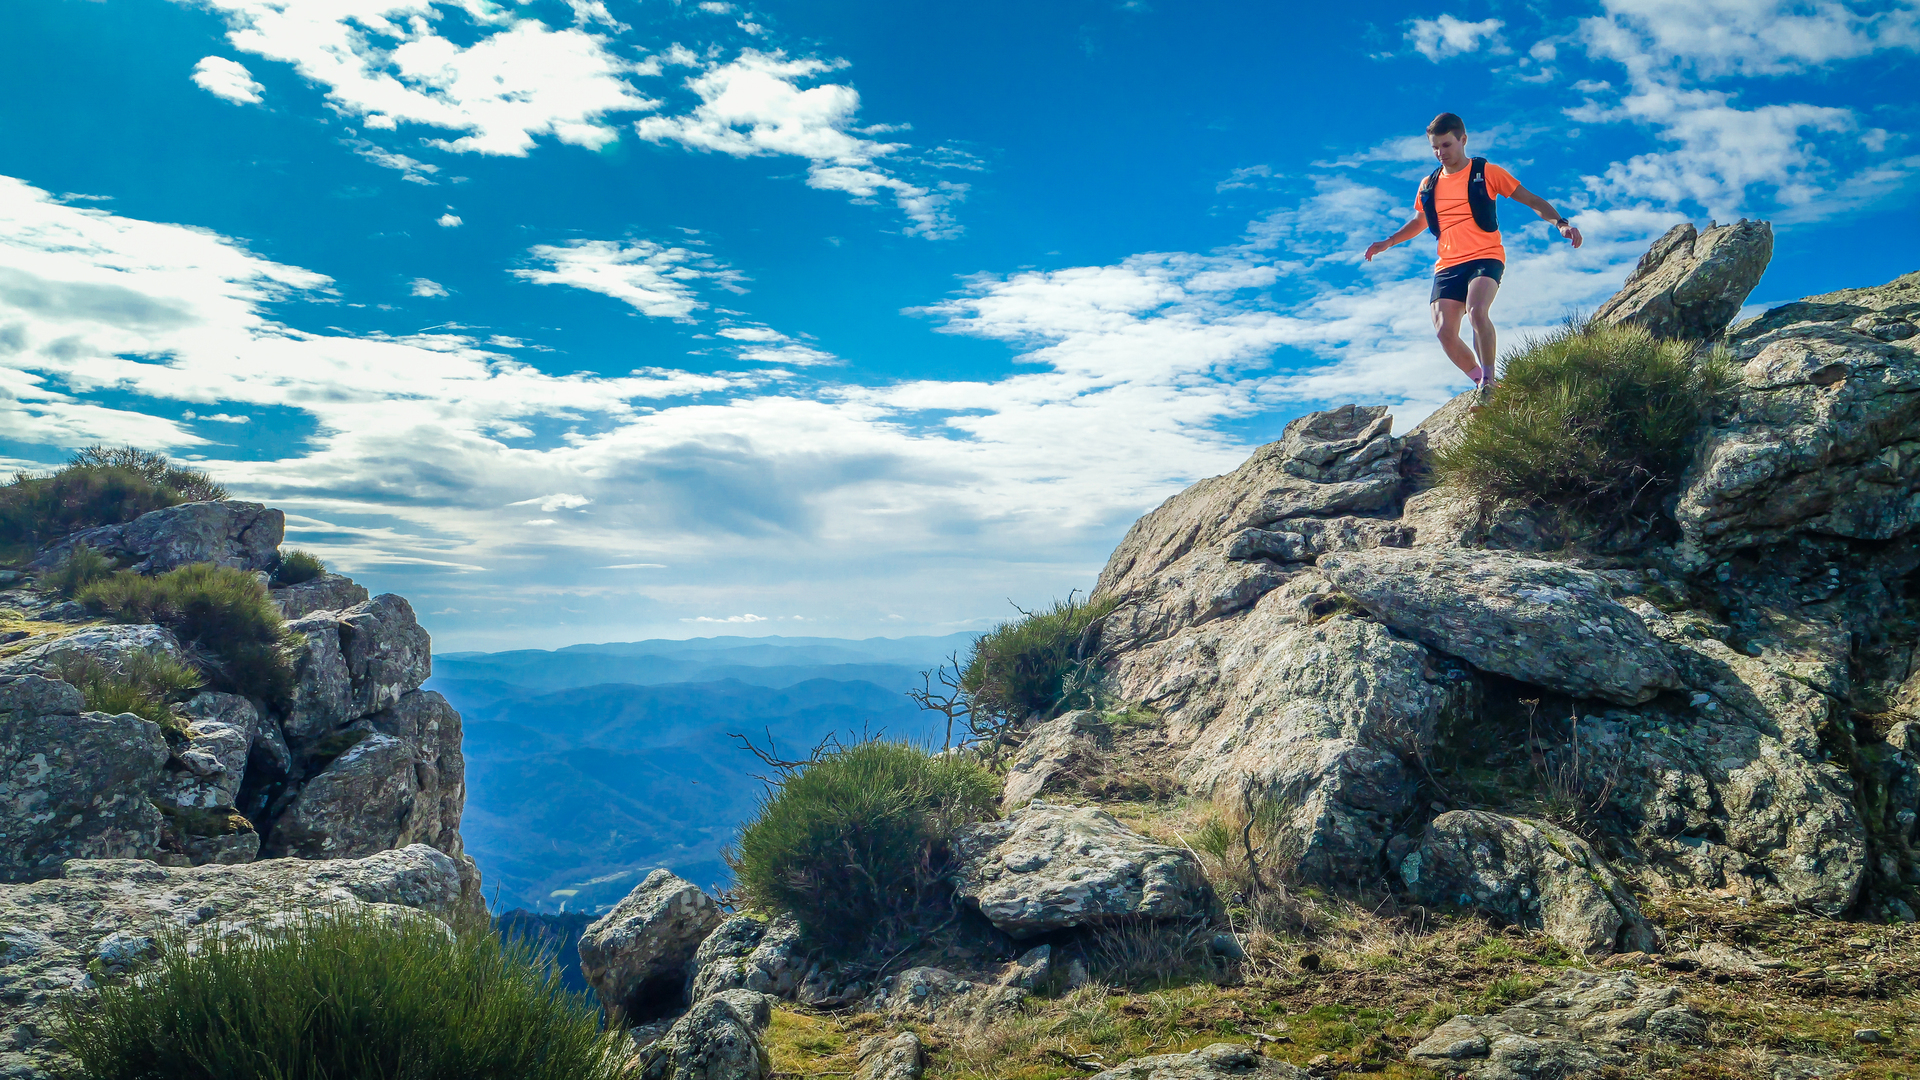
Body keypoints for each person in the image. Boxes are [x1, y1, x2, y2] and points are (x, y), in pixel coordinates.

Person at [1364, 112, 1582, 397]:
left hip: (1485, 256)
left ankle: (1489, 382)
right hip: (1448, 265)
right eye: (1435, 147)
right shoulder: (1428, 184)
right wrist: (1388, 242)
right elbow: (1420, 221)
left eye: (1446, 145)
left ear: (1462, 140)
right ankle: (1482, 381)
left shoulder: (1486, 172)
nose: (1440, 153)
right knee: (1445, 333)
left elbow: (1530, 199)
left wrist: (1561, 224)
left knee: (1478, 312)